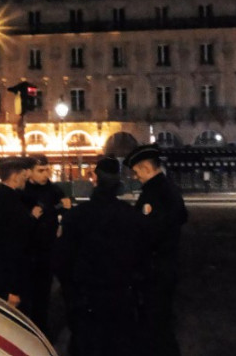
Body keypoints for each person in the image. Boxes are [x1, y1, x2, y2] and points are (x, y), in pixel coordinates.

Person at [55, 157, 146, 356]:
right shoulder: (131, 216)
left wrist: (70, 292)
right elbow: (142, 257)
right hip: (121, 295)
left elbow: (63, 260)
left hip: (86, 297)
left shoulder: (77, 216)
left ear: (95, 179)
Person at [124, 144, 188, 356]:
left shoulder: (155, 192)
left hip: (154, 269)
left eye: (136, 172)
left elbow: (147, 231)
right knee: (160, 322)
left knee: (156, 325)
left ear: (146, 168)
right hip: (165, 266)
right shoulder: (166, 187)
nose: (136, 177)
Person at [0, 157, 42, 310]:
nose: (26, 180)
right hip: (13, 284)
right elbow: (16, 247)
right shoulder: (15, 205)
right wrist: (11, 290)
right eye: (23, 176)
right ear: (15, 176)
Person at [21, 154, 71, 332]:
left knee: (43, 295)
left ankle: (40, 330)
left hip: (48, 251)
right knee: (26, 297)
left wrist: (66, 212)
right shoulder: (23, 193)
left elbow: (66, 217)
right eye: (40, 171)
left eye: (47, 170)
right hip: (27, 253)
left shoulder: (55, 191)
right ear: (29, 172)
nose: (45, 174)